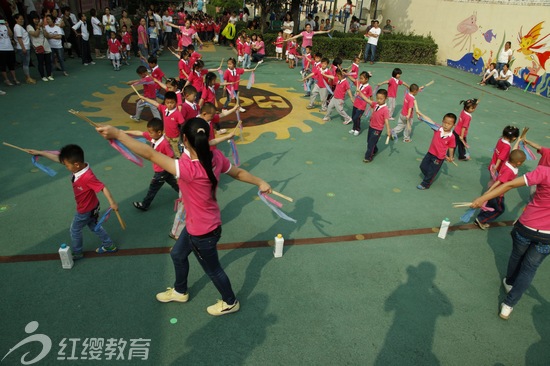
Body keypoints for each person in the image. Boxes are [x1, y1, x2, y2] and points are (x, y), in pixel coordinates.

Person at [97, 118, 271, 316]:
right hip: (199, 224)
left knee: (213, 270)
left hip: (202, 232)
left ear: (185, 139)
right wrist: (260, 182)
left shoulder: (188, 169)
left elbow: (150, 154)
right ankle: (180, 291)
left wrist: (119, 134)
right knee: (177, 254)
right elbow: (237, 173)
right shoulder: (215, 156)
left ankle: (230, 301)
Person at [470, 163, 550, 320]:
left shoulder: (545, 172)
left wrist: (483, 198)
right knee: (529, 269)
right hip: (547, 236)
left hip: (527, 225)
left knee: (516, 255)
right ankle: (508, 305)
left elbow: (511, 184)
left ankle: (510, 281)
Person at [27, 144, 119, 259]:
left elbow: (102, 187)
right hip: (92, 206)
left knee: (75, 229)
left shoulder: (87, 176)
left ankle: (77, 252)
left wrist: (112, 202)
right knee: (94, 226)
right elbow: (58, 159)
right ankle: (109, 245)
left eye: (66, 165)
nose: (65, 167)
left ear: (76, 164)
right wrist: (40, 153)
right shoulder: (79, 167)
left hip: (84, 209)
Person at [125, 118, 179, 211]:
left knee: (153, 188)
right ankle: (188, 194)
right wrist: (124, 132)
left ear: (159, 132)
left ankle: (145, 205)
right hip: (162, 169)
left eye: (151, 132)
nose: (148, 134)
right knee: (174, 183)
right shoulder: (153, 137)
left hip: (161, 170)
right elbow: (139, 133)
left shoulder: (164, 143)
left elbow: (171, 156)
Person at [475, 150, 526, 230]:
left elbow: (513, 152)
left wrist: (518, 141)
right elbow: (499, 181)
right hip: (498, 193)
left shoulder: (507, 162)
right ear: (519, 163)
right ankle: (482, 220)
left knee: (490, 205)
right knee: (499, 209)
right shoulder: (509, 171)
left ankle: (481, 217)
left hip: (496, 191)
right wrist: (489, 191)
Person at [417, 113, 456, 190]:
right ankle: (429, 177)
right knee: (422, 166)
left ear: (453, 125)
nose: (446, 125)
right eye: (445, 122)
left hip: (439, 157)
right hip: (430, 152)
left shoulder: (452, 137)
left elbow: (451, 148)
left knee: (432, 171)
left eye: (449, 124)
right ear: (442, 121)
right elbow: (430, 121)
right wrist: (421, 114)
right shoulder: (437, 128)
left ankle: (425, 184)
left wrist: (451, 157)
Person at [363, 89, 391, 163]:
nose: (379, 100)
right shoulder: (375, 104)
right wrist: (360, 93)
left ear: (386, 98)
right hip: (371, 126)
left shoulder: (385, 109)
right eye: (377, 98)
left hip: (377, 129)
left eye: (381, 99)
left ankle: (368, 157)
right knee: (369, 141)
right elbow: (367, 100)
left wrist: (388, 130)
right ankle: (375, 149)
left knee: (371, 143)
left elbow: (386, 121)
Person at [27, 12, 53, 82]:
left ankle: (49, 74)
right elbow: (35, 34)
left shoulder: (41, 26)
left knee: (48, 61)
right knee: (40, 62)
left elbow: (46, 35)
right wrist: (38, 27)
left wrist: (43, 28)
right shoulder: (29, 27)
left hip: (45, 44)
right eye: (35, 19)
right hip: (38, 46)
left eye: (37, 19)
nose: (37, 20)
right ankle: (43, 76)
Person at [348, 71, 372, 136]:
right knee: (353, 117)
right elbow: (353, 79)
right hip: (356, 104)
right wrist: (347, 74)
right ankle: (353, 128)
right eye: (360, 78)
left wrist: (372, 104)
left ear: (366, 79)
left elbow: (371, 96)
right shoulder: (359, 83)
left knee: (356, 118)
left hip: (361, 106)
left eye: (362, 78)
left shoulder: (368, 87)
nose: (360, 80)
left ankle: (358, 129)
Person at [13, 13, 36, 84]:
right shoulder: (17, 27)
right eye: (20, 19)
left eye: (22, 19)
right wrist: (23, 48)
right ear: (16, 20)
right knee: (25, 63)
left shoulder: (20, 27)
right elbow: (19, 39)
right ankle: (28, 78)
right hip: (23, 47)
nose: (22, 20)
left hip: (26, 46)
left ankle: (28, 77)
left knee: (26, 62)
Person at [0, 17, 19, 86]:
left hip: (9, 48)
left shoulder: (4, 26)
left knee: (11, 64)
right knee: (3, 65)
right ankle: (6, 80)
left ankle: (14, 78)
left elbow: (11, 35)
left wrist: (7, 26)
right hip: (1, 49)